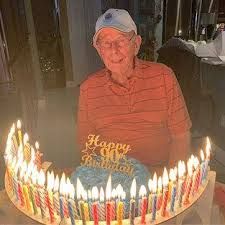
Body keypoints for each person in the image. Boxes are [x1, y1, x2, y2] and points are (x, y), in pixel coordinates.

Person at [77, 8, 192, 172]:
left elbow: (181, 136)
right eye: (106, 43)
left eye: (121, 40)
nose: (113, 50)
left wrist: (172, 183)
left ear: (136, 44)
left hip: (157, 176)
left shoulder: (163, 76)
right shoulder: (88, 88)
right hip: (112, 178)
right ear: (99, 50)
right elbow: (85, 144)